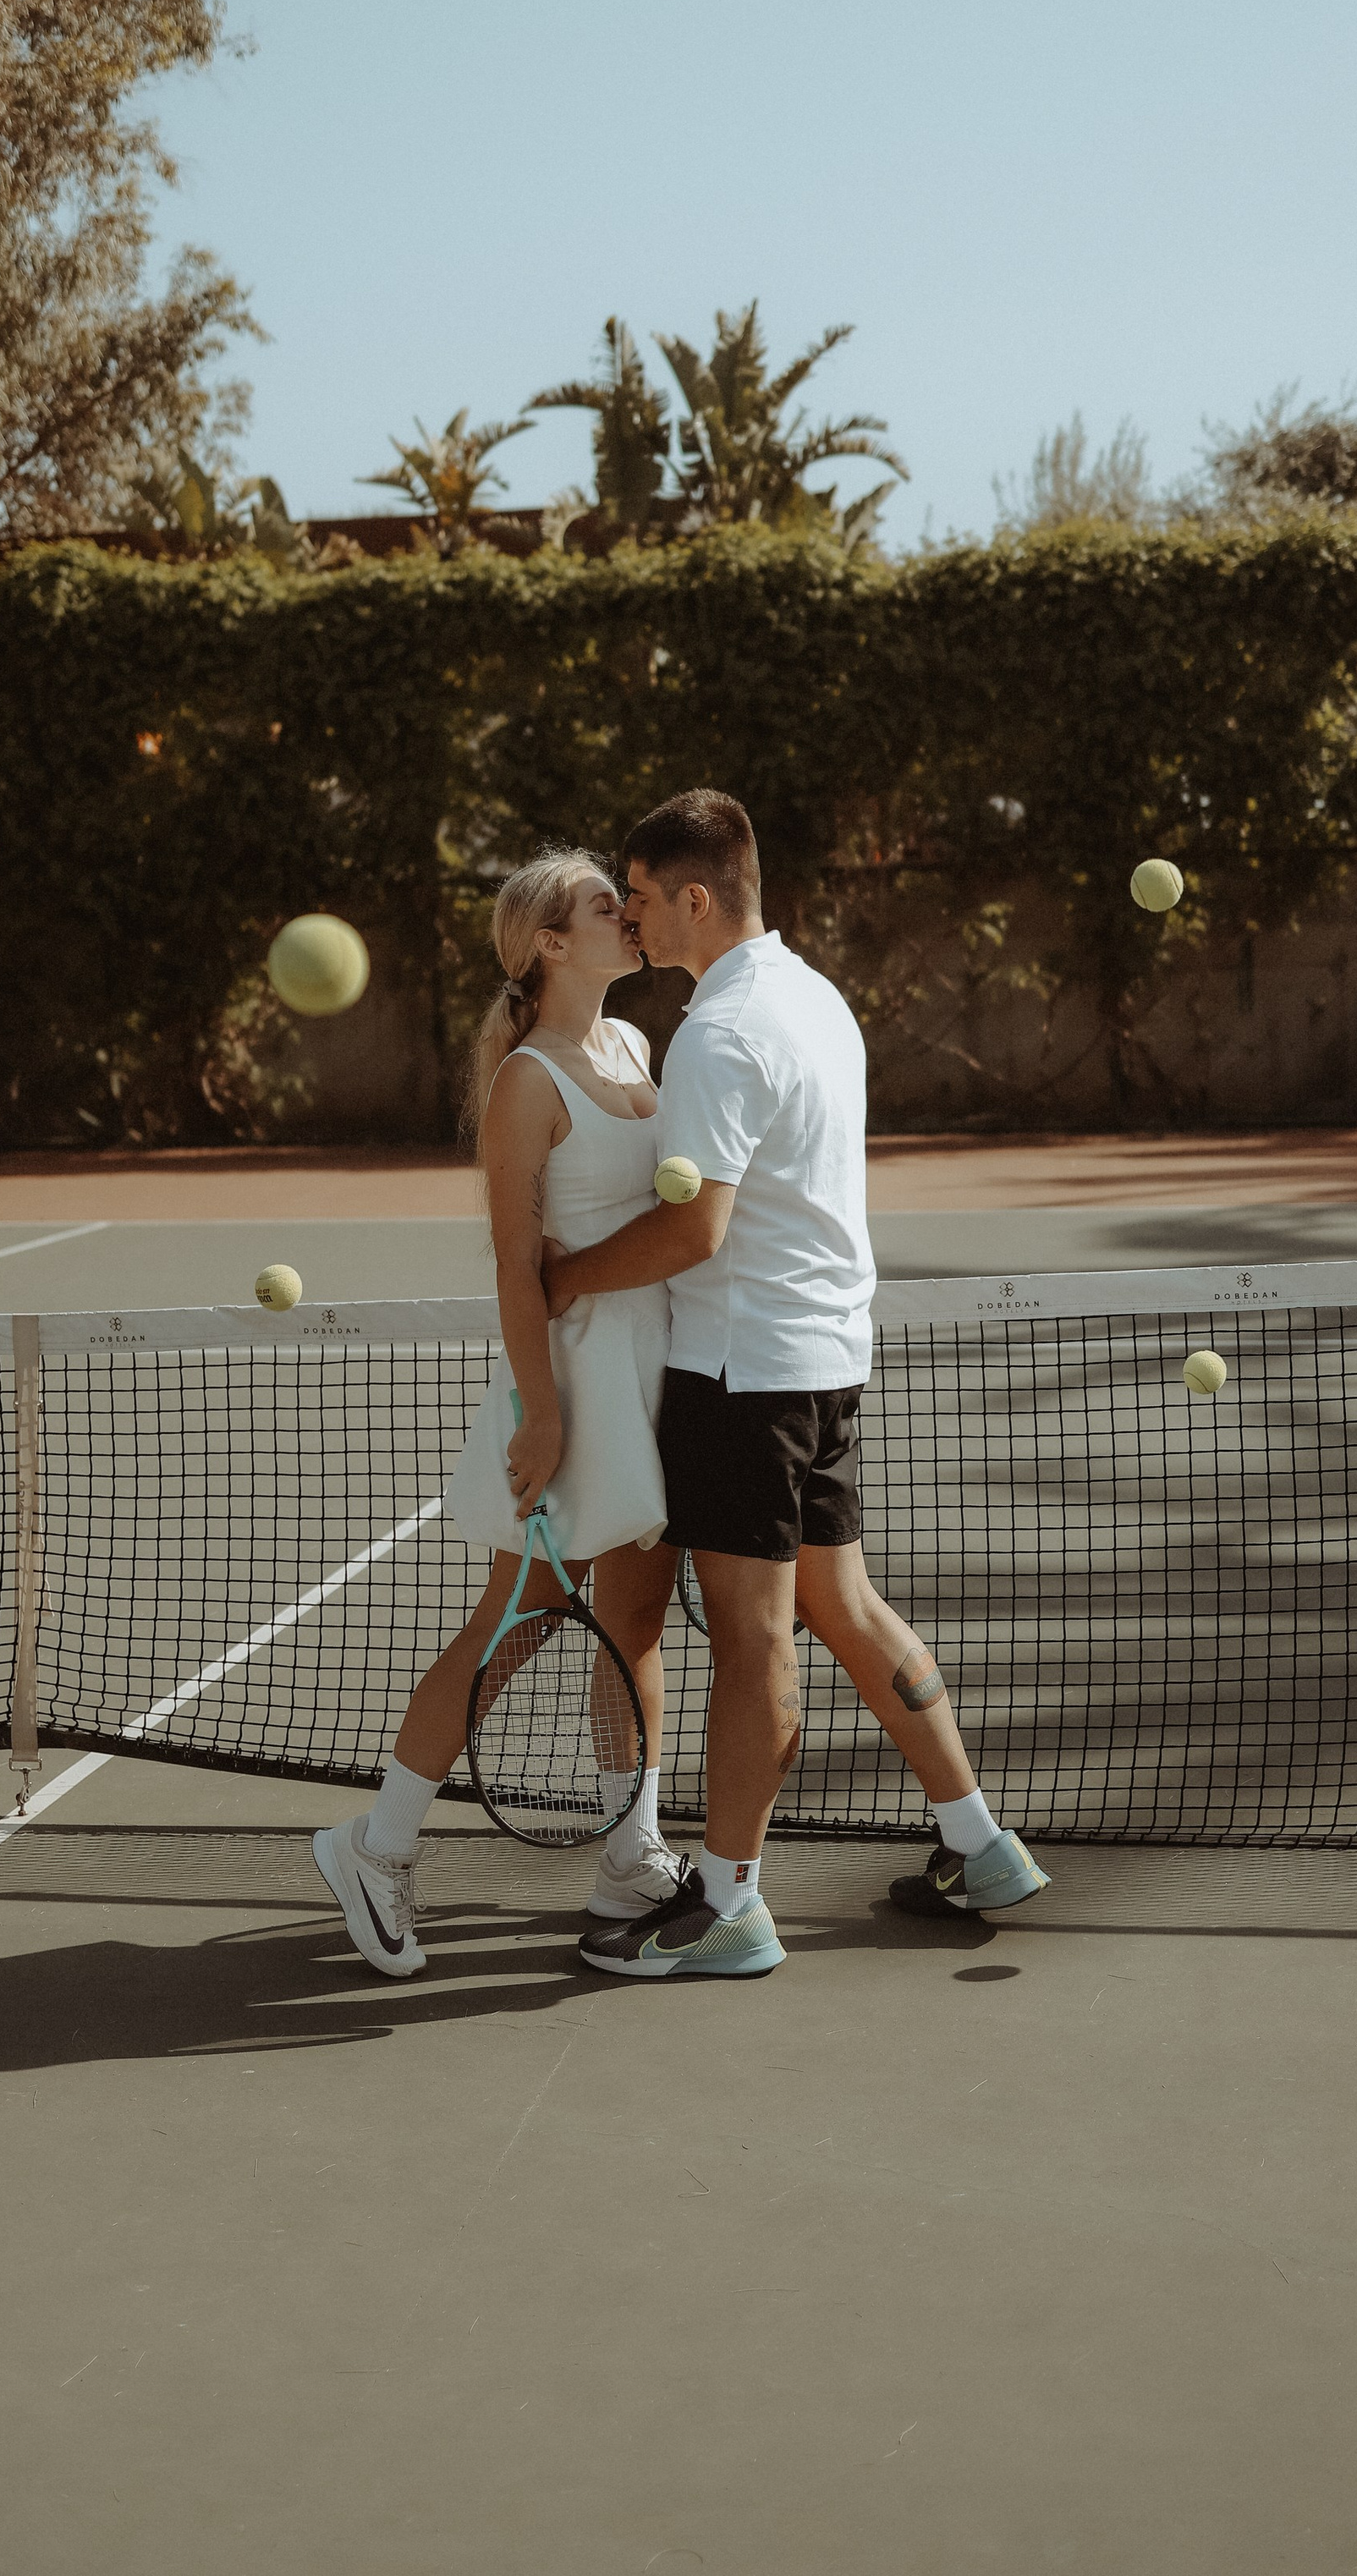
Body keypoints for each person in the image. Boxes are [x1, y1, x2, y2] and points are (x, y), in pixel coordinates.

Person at [546, 788, 1049, 1980]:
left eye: (648, 894)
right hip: (828, 1361)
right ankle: (979, 1841)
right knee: (845, 1604)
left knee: (750, 1643)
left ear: (700, 896)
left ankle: (726, 1900)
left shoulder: (717, 1033)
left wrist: (569, 1275)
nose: (635, 914)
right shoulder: (814, 998)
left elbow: (695, 1231)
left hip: (743, 1379)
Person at [310, 849, 690, 1979]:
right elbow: (517, 1268)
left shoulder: (631, 1044)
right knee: (515, 1623)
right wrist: (540, 1416)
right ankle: (376, 1850)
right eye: (599, 905)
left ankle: (632, 1851)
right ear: (549, 945)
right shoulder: (529, 1081)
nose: (627, 913)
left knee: (637, 1621)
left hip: (656, 1368)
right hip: (573, 1383)